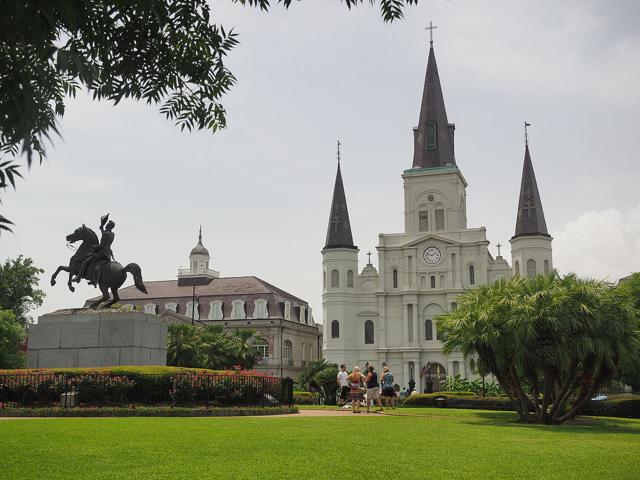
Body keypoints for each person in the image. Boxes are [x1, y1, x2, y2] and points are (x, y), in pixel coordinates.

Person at [75, 214, 115, 285]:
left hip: (102, 253)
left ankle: (78, 278)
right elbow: (104, 236)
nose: (106, 225)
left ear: (109, 226)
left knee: (85, 262)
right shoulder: (112, 234)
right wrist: (102, 227)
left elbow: (101, 245)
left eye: (107, 224)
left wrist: (94, 247)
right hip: (108, 253)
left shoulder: (106, 233)